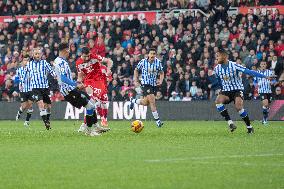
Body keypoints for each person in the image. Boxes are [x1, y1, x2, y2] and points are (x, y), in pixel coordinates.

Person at [213, 49, 274, 134]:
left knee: (238, 107)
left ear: (224, 56)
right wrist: (222, 89)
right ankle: (230, 123)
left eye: (218, 56)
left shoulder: (234, 65)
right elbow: (219, 80)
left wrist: (264, 76)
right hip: (226, 90)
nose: (216, 58)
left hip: (237, 90)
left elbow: (249, 72)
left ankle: (249, 127)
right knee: (218, 101)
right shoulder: (217, 69)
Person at [53, 42, 101, 136]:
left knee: (91, 101)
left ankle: (95, 126)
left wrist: (76, 83)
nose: (69, 52)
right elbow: (62, 78)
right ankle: (89, 130)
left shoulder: (57, 60)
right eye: (69, 50)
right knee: (90, 106)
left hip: (71, 89)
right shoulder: (61, 62)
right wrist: (75, 84)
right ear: (65, 50)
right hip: (70, 91)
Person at [76, 47, 113, 132]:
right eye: (85, 56)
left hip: (99, 81)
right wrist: (78, 84)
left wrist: (108, 69)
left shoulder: (94, 57)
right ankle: (93, 125)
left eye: (88, 56)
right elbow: (80, 76)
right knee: (91, 103)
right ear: (81, 54)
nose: (87, 58)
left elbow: (109, 61)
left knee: (92, 103)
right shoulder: (78, 63)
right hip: (88, 82)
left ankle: (86, 125)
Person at [130, 48, 164, 127]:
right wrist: (135, 79)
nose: (152, 55)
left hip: (153, 85)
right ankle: (158, 121)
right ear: (148, 54)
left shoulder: (158, 62)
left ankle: (133, 100)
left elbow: (162, 73)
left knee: (146, 102)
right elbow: (136, 70)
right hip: (145, 84)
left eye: (154, 54)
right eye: (151, 54)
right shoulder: (143, 62)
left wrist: (161, 81)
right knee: (152, 101)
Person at [25, 47, 56, 130]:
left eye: (39, 53)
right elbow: (26, 74)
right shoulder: (29, 64)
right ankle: (46, 123)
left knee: (48, 107)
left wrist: (55, 75)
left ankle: (47, 119)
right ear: (33, 55)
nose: (37, 55)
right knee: (41, 104)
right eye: (36, 54)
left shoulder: (44, 63)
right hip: (35, 88)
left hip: (44, 87)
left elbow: (51, 70)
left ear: (41, 55)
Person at [15, 54, 33, 127]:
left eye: (27, 60)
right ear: (22, 62)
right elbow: (16, 80)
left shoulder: (31, 70)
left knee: (30, 106)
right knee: (24, 106)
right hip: (23, 90)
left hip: (31, 90)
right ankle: (19, 112)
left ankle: (27, 121)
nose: (26, 62)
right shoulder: (19, 70)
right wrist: (21, 79)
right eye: (25, 60)